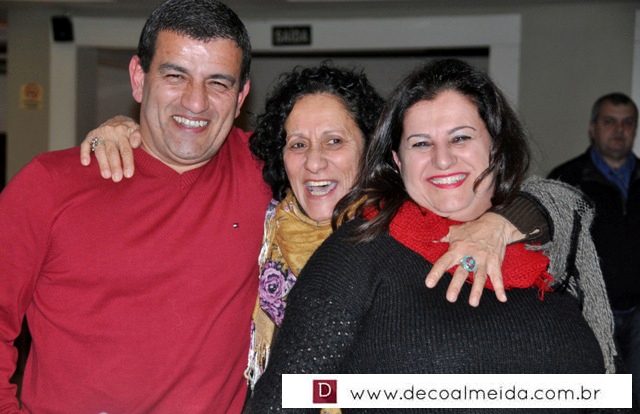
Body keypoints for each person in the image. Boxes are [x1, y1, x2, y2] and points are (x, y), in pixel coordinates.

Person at [249, 59, 617, 413]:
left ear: (496, 146)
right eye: (421, 143)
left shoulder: (553, 241)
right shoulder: (357, 252)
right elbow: (287, 398)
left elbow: (606, 392)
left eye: (460, 138)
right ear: (397, 161)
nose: (442, 159)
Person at [0, 1, 271, 412]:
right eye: (175, 76)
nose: (195, 102)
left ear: (240, 97)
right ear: (139, 79)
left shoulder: (273, 172)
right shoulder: (50, 185)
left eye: (218, 83)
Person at [548, 92, 639, 404]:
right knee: (602, 399)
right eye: (610, 121)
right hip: (589, 313)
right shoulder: (566, 180)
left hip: (639, 314)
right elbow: (552, 250)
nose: (619, 130)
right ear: (593, 128)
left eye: (627, 123)